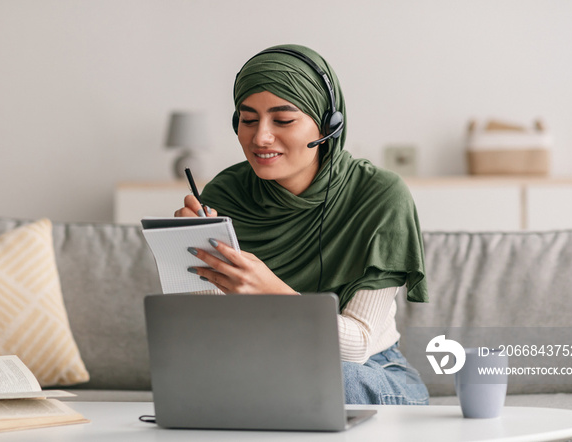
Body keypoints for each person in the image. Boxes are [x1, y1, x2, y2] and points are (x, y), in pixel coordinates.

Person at [174, 44, 429, 405]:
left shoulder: (380, 195)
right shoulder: (223, 194)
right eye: (248, 120)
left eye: (282, 120)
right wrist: (192, 259)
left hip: (367, 370)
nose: (260, 137)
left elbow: (356, 347)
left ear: (328, 125)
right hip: (260, 366)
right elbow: (213, 332)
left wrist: (270, 293)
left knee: (329, 379)